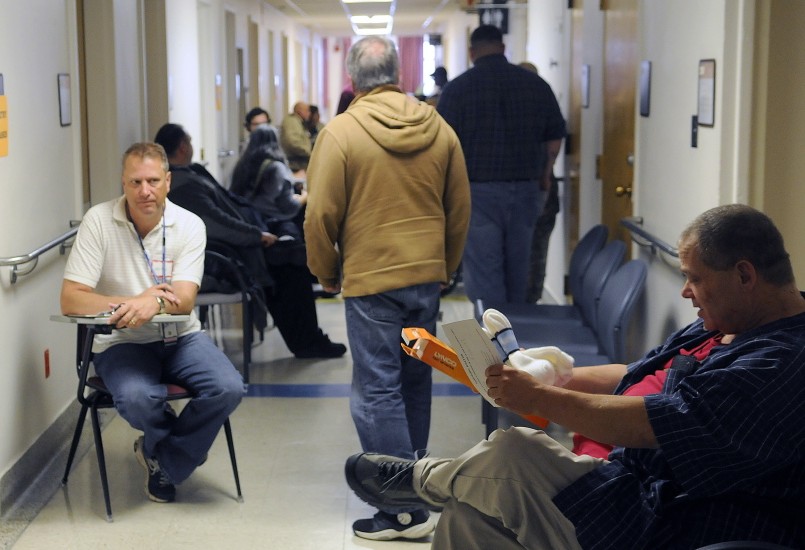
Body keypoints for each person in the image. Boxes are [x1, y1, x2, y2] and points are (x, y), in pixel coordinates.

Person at [345, 204, 805, 549]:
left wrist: (539, 400)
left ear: (745, 275)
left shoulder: (781, 364)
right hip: (632, 486)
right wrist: (548, 378)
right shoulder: (726, 324)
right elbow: (637, 375)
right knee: (467, 519)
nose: (686, 291)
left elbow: (656, 422)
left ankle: (421, 482)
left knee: (516, 450)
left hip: (671, 521)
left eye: (695, 279)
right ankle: (437, 487)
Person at [304, 36, 471, 541]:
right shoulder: (439, 128)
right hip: (424, 277)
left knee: (376, 390)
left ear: (353, 80)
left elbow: (319, 214)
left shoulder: (341, 133)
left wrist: (326, 270)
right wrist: (445, 265)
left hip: (371, 279)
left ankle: (402, 510)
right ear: (398, 73)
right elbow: (459, 206)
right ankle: (416, 485)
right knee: (415, 382)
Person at [60, 142, 245, 504]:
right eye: (135, 182)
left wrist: (155, 302)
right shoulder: (99, 221)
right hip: (121, 342)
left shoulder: (189, 225)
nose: (145, 191)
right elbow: (71, 298)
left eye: (153, 181)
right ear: (123, 183)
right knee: (136, 397)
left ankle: (164, 457)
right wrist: (137, 301)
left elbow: (185, 300)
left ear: (168, 181)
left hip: (182, 338)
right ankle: (182, 450)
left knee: (229, 387)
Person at [155, 123, 345, 360]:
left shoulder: (191, 173)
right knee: (289, 267)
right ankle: (307, 341)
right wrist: (256, 235)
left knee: (291, 253)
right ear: (183, 147)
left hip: (238, 245)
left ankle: (310, 335)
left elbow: (230, 206)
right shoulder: (183, 184)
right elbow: (217, 223)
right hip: (224, 255)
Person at [436, 25, 566, 306]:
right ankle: (516, 342)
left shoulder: (457, 90)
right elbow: (555, 137)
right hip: (526, 189)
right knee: (520, 273)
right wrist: (544, 176)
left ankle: (487, 347)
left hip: (477, 193)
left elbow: (441, 145)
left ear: (472, 52)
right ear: (503, 47)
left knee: (484, 276)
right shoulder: (536, 85)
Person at [517, 61, 562, 303]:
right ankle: (528, 305)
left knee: (530, 260)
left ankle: (524, 308)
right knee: (535, 258)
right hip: (542, 191)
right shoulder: (542, 105)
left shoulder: (525, 112)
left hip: (539, 194)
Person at [279, 101, 312, 173]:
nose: (309, 113)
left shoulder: (297, 121)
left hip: (298, 164)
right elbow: (293, 142)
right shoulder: (292, 122)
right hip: (295, 165)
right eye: (307, 110)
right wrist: (309, 153)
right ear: (299, 111)